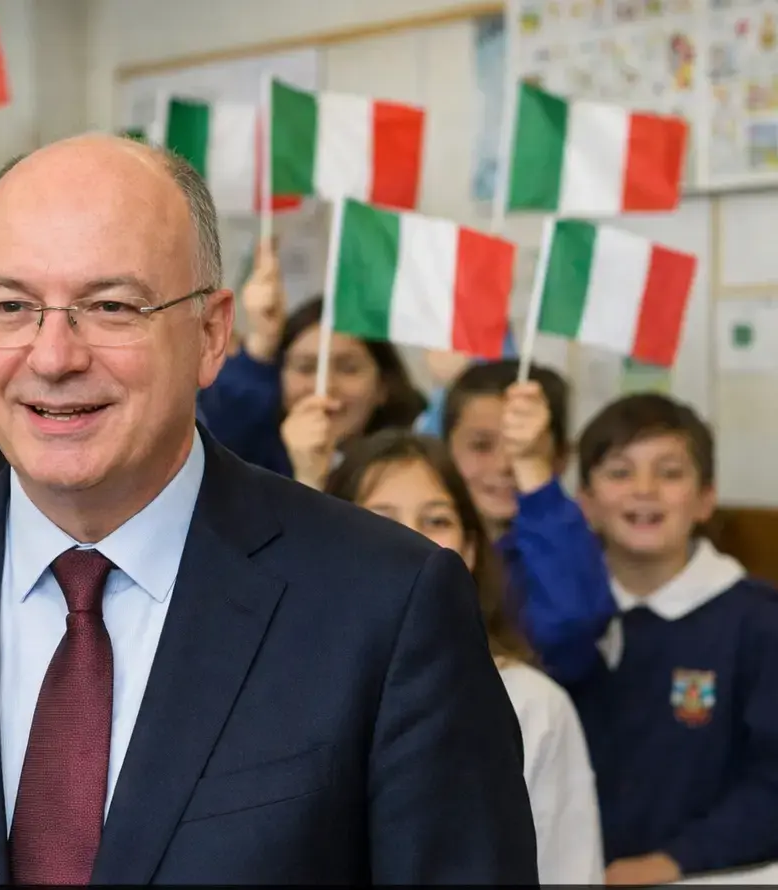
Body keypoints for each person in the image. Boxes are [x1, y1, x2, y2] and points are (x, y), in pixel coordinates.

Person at [0, 134, 536, 884]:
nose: (54, 356)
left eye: (111, 306)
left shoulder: (385, 605)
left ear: (211, 334)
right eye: (12, 307)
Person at [327, 429, 604, 884]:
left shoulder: (534, 704)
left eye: (436, 520)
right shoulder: (291, 689)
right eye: (380, 518)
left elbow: (566, 871)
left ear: (471, 550)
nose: (411, 539)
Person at [564, 394, 778, 885]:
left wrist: (672, 861)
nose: (644, 490)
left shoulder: (758, 622)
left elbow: (771, 783)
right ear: (586, 503)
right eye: (620, 472)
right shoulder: (559, 618)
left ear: (705, 498)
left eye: (670, 472)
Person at [198, 239, 426, 488]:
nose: (325, 386)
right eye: (305, 368)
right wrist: (262, 345)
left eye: (348, 368)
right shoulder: (249, 463)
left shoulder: (415, 467)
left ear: (383, 386)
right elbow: (219, 422)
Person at [442, 360, 614, 683]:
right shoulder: (424, 543)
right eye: (481, 446)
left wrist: (534, 475)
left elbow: (571, 625)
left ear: (560, 457)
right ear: (445, 452)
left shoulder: (567, 544)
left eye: (522, 449)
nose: (504, 464)